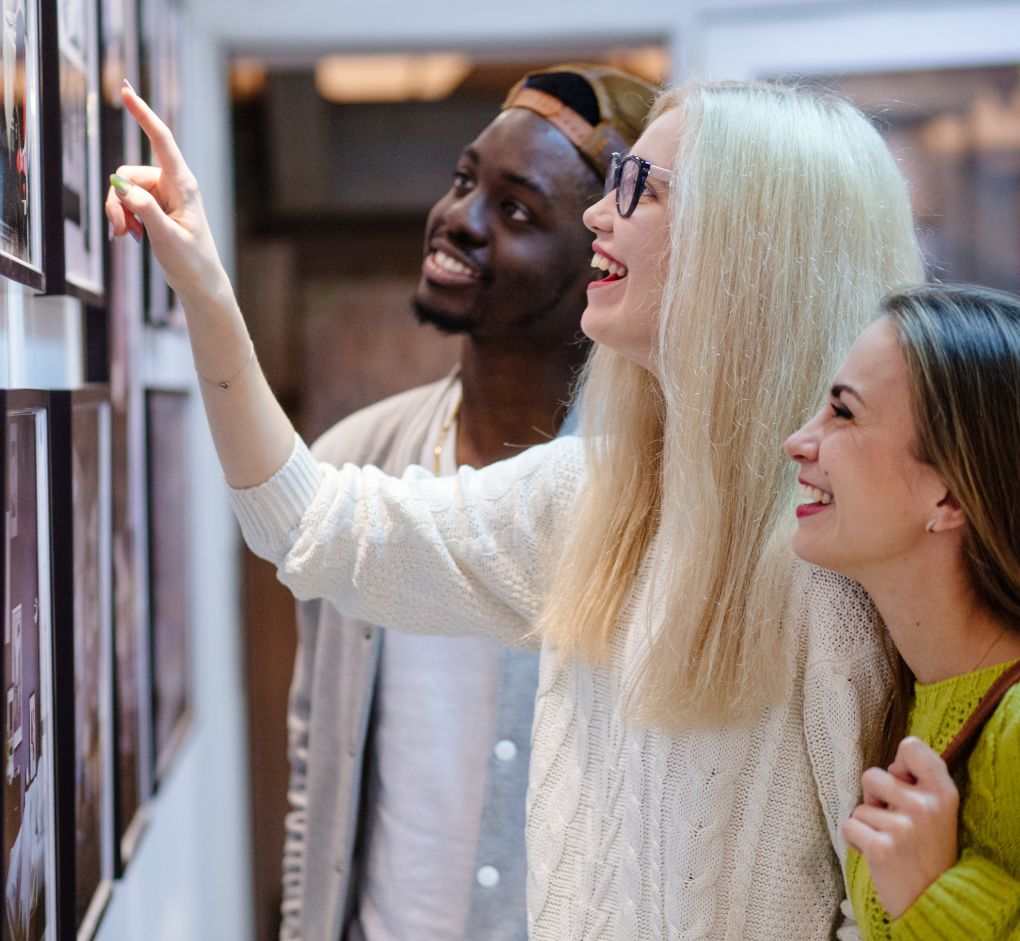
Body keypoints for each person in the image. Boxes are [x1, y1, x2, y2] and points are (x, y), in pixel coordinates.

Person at [107, 78, 924, 938]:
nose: (601, 217)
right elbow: (312, 527)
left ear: (747, 247)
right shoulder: (592, 499)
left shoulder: (843, 578)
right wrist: (203, 285)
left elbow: (876, 913)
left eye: (641, 189)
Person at [282, 65, 655, 941]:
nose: (459, 219)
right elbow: (318, 761)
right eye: (463, 181)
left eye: (517, 209)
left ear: (602, 255)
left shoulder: (650, 497)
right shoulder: (355, 468)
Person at [784, 284, 1020, 940]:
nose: (798, 442)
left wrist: (934, 898)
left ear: (948, 494)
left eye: (844, 413)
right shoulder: (913, 693)